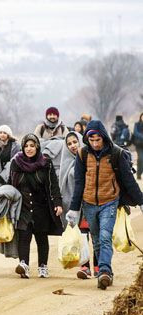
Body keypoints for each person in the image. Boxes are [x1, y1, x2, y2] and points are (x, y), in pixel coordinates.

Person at [66, 120, 143, 290]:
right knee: (96, 239)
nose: (95, 144)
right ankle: (105, 271)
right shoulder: (82, 154)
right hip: (88, 203)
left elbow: (128, 181)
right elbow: (79, 183)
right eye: (91, 140)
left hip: (109, 201)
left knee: (105, 237)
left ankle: (104, 272)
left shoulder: (116, 154)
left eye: (97, 140)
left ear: (104, 138)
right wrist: (73, 209)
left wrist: (141, 201)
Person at [8, 134, 63, 279]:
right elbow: (9, 186)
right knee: (24, 237)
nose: (29, 149)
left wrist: (57, 203)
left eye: (32, 146)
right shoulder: (16, 163)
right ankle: (24, 265)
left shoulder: (45, 163)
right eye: (26, 146)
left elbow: (53, 185)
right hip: (23, 207)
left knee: (41, 237)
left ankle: (42, 266)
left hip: (41, 207)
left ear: (37, 146)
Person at [58, 131, 98, 279]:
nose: (73, 146)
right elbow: (63, 185)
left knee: (96, 235)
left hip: (92, 202)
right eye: (69, 144)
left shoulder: (90, 157)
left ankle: (98, 266)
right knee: (82, 236)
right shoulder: (66, 162)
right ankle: (85, 266)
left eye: (75, 142)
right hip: (76, 207)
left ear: (81, 141)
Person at [132, 113, 143, 180]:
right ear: (140, 117)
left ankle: (140, 172)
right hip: (139, 144)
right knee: (141, 158)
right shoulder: (137, 124)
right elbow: (135, 133)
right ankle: (139, 174)